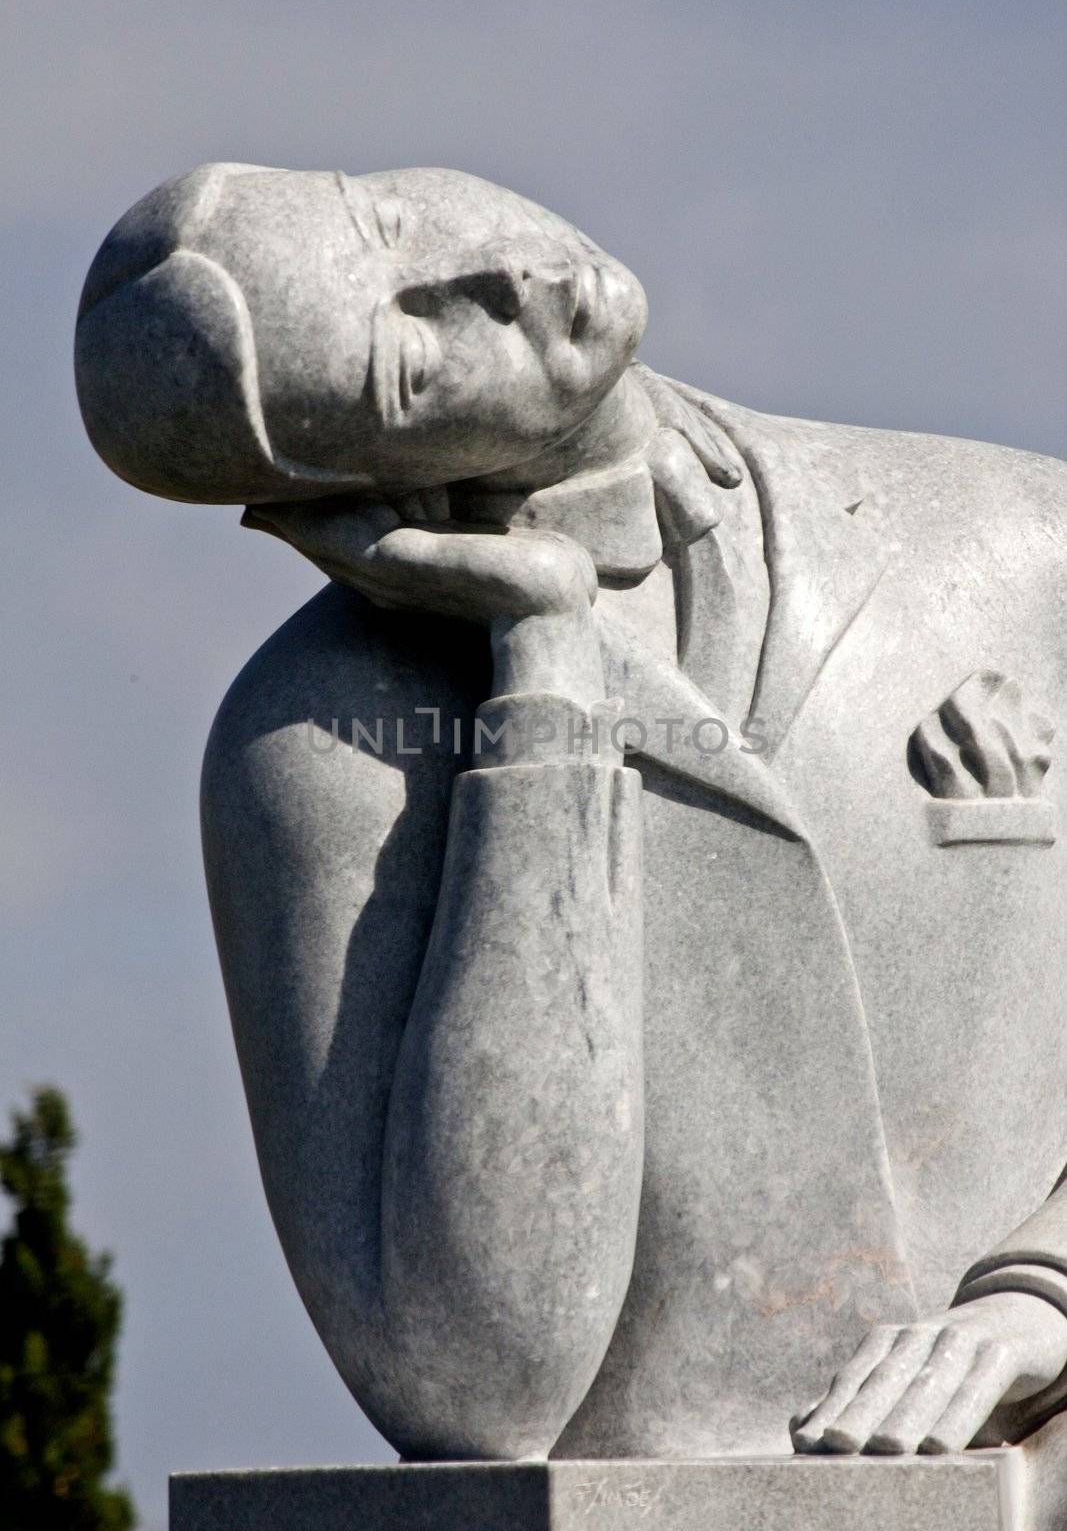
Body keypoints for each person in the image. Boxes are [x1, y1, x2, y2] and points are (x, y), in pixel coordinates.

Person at [75, 163, 1067, 1464]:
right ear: (340, 491)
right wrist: (544, 669)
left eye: (390, 219)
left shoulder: (1021, 541)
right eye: (407, 368)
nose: (495, 281)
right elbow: (479, 1384)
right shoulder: (318, 751)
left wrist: (1041, 1296)